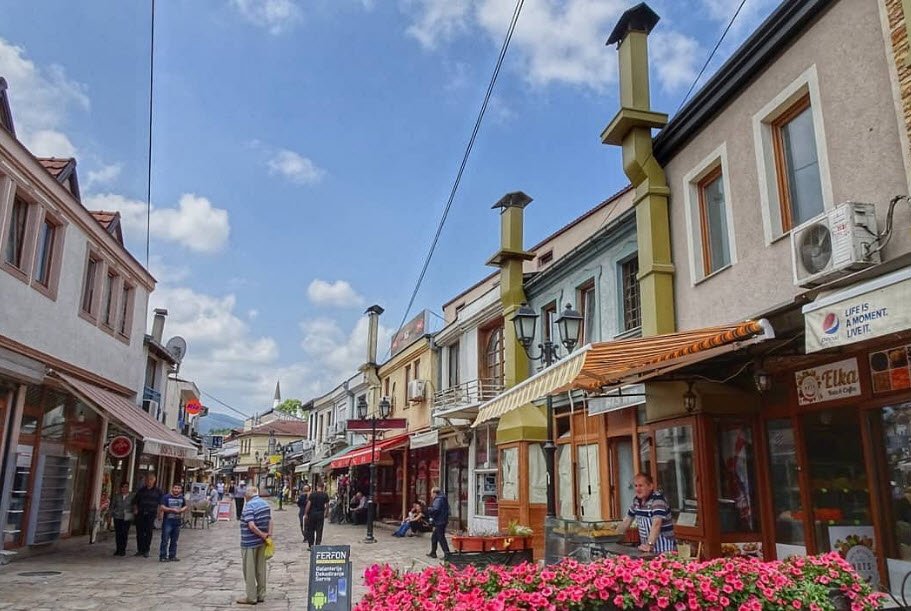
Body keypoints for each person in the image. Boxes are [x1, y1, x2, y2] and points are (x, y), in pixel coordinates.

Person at [617, 473, 676, 554]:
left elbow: (657, 524)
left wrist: (649, 545)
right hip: (647, 550)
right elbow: (627, 520)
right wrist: (615, 537)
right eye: (636, 486)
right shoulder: (636, 501)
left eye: (641, 486)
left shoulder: (657, 500)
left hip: (665, 550)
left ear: (650, 486)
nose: (637, 489)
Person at [237, 486, 272, 606]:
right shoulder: (265, 504)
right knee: (261, 569)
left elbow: (251, 525)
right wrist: (268, 535)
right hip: (261, 542)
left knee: (250, 571)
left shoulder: (249, 506)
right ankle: (261, 594)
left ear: (247, 496)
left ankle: (251, 597)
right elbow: (270, 521)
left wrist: (261, 534)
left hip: (249, 543)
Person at [132, 474, 164, 558]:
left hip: (151, 514)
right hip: (141, 513)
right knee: (140, 532)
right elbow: (135, 501)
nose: (149, 481)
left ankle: (146, 550)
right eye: (147, 480)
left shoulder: (158, 491)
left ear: (154, 480)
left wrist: (160, 513)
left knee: (148, 532)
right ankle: (140, 550)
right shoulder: (141, 490)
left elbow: (161, 503)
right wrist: (135, 509)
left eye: (151, 479)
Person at [159, 483, 188, 562]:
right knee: (165, 539)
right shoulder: (166, 497)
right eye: (175, 488)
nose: (176, 490)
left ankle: (172, 555)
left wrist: (181, 510)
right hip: (168, 521)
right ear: (172, 488)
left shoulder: (182, 498)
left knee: (174, 540)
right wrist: (171, 510)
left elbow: (185, 506)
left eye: (178, 488)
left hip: (177, 521)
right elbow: (162, 507)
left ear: (181, 490)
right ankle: (163, 556)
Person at [426, 487, 451, 558]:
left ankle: (447, 553)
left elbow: (436, 509)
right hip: (442, 520)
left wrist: (429, 509)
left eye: (431, 493)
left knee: (441, 537)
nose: (431, 495)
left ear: (435, 493)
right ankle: (433, 552)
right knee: (434, 537)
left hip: (440, 521)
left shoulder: (438, 499)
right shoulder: (443, 498)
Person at [110, 481, 133, 556]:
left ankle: (123, 549)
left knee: (124, 533)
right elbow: (112, 506)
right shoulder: (117, 496)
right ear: (121, 488)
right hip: (118, 516)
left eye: (126, 487)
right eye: (123, 487)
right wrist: (111, 514)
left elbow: (135, 505)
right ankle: (118, 549)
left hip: (127, 516)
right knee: (118, 533)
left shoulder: (132, 496)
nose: (124, 489)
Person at [305, 482, 330, 549]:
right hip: (320, 514)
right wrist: (326, 513)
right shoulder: (325, 495)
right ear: (323, 487)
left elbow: (308, 504)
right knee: (319, 530)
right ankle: (317, 545)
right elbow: (327, 505)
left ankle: (311, 545)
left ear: (317, 486)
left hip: (312, 514)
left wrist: (306, 513)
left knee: (311, 530)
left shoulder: (312, 494)